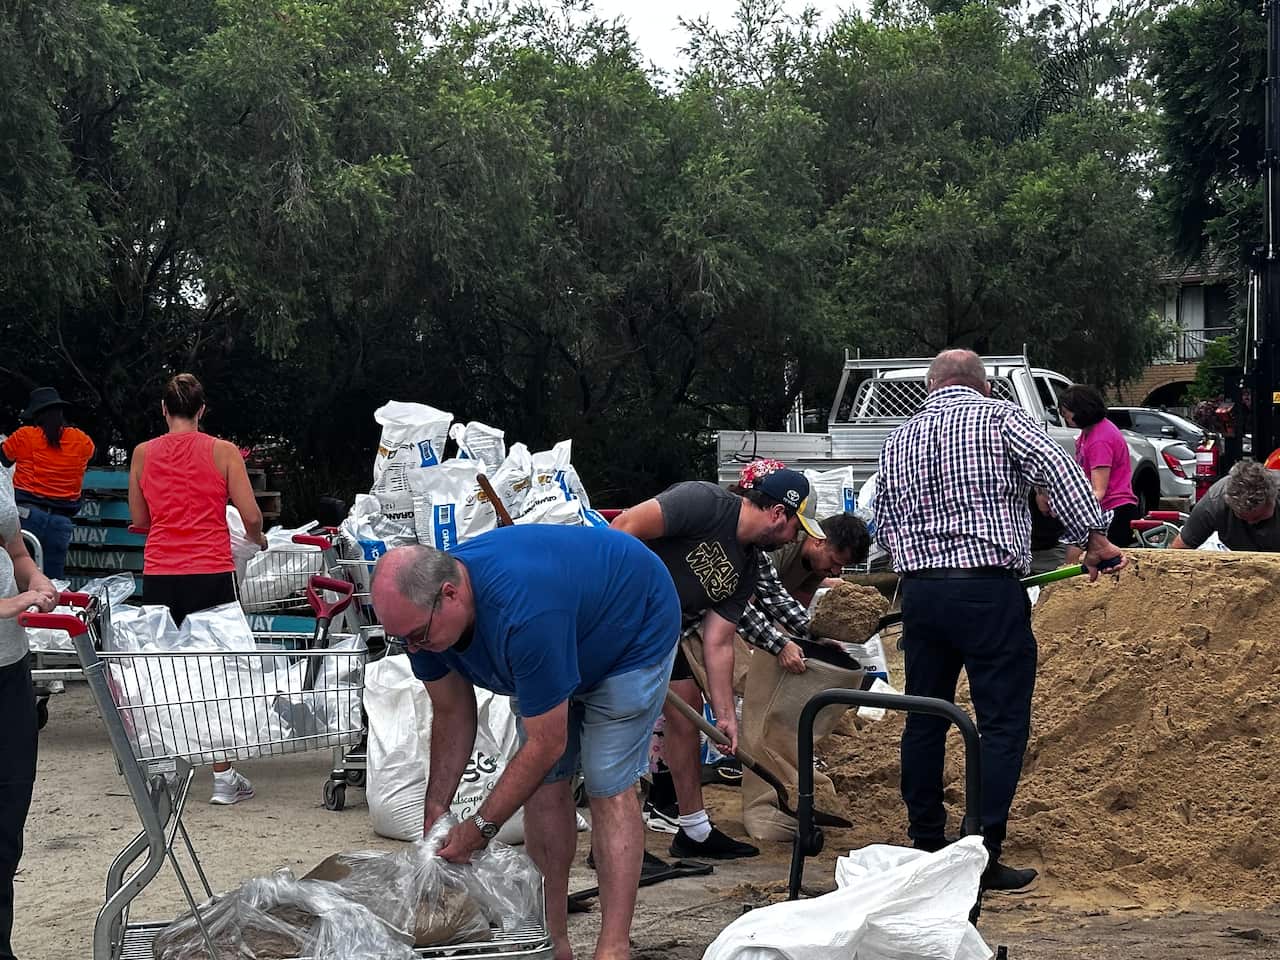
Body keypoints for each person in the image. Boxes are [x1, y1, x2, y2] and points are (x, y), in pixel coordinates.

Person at [876, 349, 1126, 892]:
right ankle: (981, 849)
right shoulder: (1002, 417)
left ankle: (925, 839)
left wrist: (916, 560)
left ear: (930, 384)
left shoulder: (898, 439)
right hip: (988, 590)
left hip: (921, 592)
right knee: (1001, 722)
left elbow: (884, 519)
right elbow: (1059, 469)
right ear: (983, 385)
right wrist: (1094, 539)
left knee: (926, 714)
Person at [369, 527, 681, 960]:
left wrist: (480, 828)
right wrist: (436, 806)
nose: (413, 647)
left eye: (418, 636)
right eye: (402, 639)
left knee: (607, 783)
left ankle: (613, 947)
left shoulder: (523, 613)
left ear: (451, 594)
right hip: (557, 635)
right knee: (545, 788)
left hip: (629, 627)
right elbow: (452, 711)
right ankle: (551, 942)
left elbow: (546, 743)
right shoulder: (418, 620)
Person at [610, 462, 822, 859]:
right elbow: (623, 529)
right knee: (622, 719)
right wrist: (634, 609)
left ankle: (694, 830)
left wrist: (725, 717)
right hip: (620, 615)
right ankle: (612, 844)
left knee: (686, 711)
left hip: (665, 631)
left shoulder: (748, 564)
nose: (795, 537)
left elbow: (719, 641)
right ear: (778, 514)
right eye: (797, 527)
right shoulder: (703, 502)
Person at [127, 373, 266, 805]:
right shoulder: (223, 452)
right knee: (217, 674)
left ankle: (164, 770)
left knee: (164, 672)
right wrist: (257, 540)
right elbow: (252, 517)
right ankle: (223, 778)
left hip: (161, 574)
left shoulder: (143, 454)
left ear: (164, 410)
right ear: (202, 410)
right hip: (210, 574)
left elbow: (141, 519)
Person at [0, 465, 57, 960]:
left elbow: (17, 551)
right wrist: (10, 602)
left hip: (9, 667)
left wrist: (38, 579)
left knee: (6, 821)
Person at [739, 512, 871, 674]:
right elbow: (741, 606)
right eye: (835, 562)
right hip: (732, 610)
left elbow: (791, 608)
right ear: (819, 541)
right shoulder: (781, 548)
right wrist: (771, 643)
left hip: (759, 615)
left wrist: (814, 640)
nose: (836, 571)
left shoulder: (818, 565)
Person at [0, 388, 95, 578]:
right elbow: (89, 456)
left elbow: (4, 459)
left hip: (27, 516)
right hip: (61, 522)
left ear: (36, 415)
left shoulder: (24, 436)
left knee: (22, 578)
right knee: (52, 582)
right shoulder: (82, 441)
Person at [1058, 384, 1138, 558]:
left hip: (1113, 509)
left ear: (1081, 410)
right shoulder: (1089, 433)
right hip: (1107, 508)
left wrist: (1069, 508)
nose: (1064, 417)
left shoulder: (1099, 440)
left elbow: (1098, 491)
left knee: (1074, 556)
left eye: (1067, 412)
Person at [1171, 459, 1280, 551]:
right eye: (1243, 517)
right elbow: (1180, 549)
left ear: (1272, 498)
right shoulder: (1214, 502)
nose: (1251, 522)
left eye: (1258, 517)